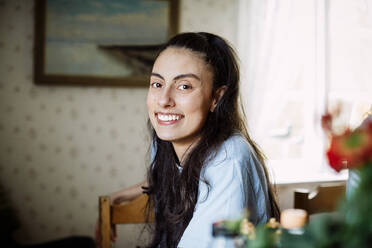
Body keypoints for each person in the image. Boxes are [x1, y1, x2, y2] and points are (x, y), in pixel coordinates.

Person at [96, 32, 280, 248]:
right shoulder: (167, 141)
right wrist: (121, 196)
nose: (164, 100)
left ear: (216, 97)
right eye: (157, 84)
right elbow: (182, 175)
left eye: (184, 86)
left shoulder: (229, 160)